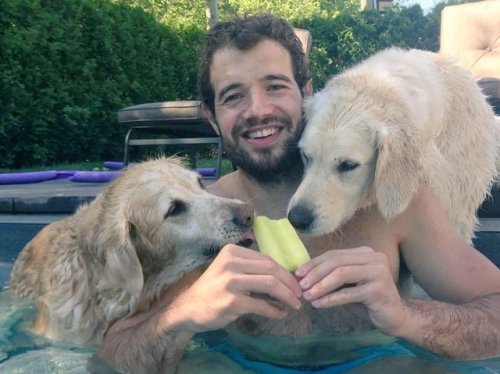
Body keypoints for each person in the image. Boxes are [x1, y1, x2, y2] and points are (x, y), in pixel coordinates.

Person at [98, 14, 500, 373]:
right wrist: (183, 313)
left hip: (379, 362)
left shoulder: (391, 199)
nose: (257, 110)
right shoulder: (195, 221)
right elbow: (112, 354)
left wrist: (405, 316)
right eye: (233, 96)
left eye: (274, 86)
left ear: (306, 93)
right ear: (212, 116)